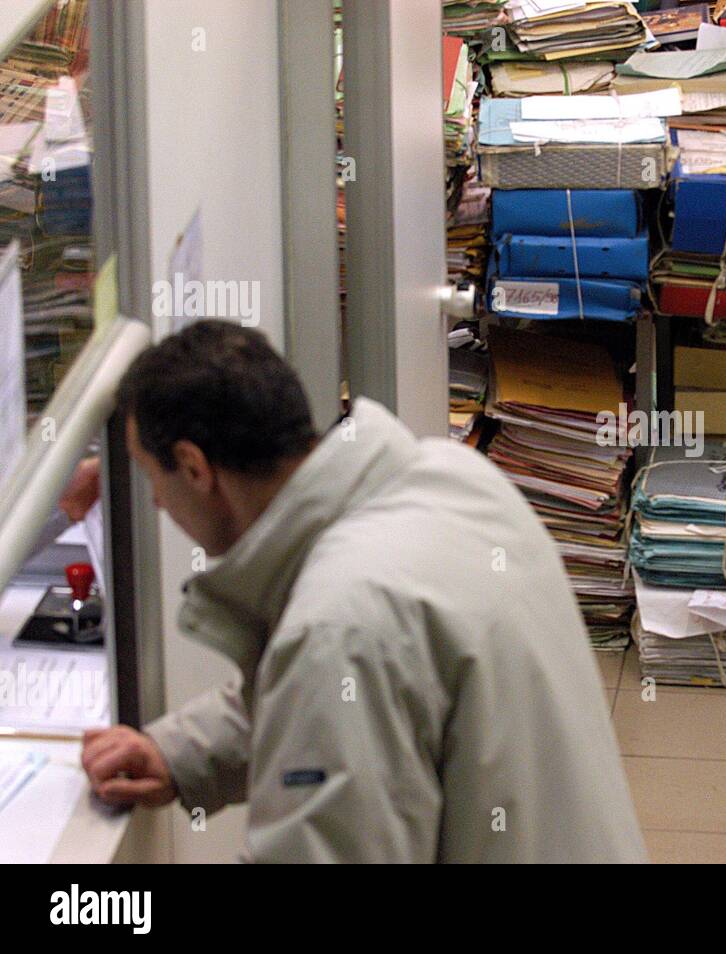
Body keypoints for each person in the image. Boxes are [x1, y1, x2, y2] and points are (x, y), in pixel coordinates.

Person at [79, 320, 647, 863]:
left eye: (151, 479)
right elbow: (352, 712)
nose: (154, 502)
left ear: (193, 467)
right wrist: (180, 752)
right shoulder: (453, 478)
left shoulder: (340, 624)